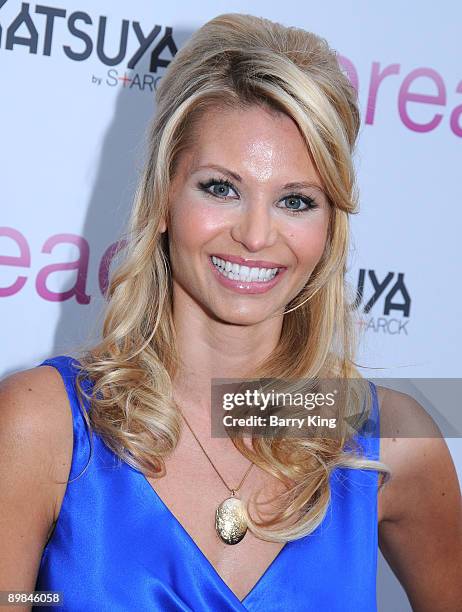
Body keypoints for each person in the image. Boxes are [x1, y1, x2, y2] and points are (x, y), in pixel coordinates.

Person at [1, 12, 461, 612]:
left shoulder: (388, 445)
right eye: (221, 188)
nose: (255, 235)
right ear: (164, 196)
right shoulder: (45, 427)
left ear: (330, 227)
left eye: (296, 200)